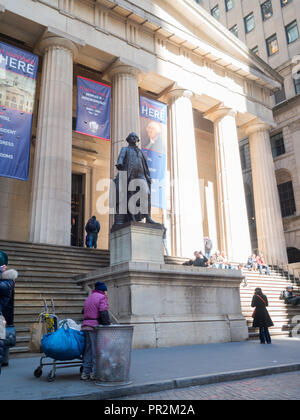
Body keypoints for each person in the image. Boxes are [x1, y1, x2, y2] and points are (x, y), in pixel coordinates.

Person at [113, 132, 157, 225]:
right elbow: (121, 158)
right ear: (128, 139)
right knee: (131, 196)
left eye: (135, 137)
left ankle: (148, 217)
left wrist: (147, 176)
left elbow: (145, 165)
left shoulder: (140, 151)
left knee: (146, 193)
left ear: (137, 139)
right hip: (130, 175)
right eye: (131, 137)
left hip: (141, 176)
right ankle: (132, 217)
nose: (133, 138)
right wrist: (120, 164)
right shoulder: (125, 149)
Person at [81, 281, 110, 380]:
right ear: (103, 290)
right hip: (94, 327)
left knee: (88, 351)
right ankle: (95, 373)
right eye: (106, 290)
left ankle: (85, 373)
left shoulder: (89, 297)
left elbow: (83, 311)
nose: (106, 292)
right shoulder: (102, 297)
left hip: (85, 326)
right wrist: (107, 325)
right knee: (96, 351)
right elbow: (103, 312)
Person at [0, 267, 17, 371]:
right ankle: (5, 360)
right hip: (6, 316)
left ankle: (4, 360)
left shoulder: (6, 285)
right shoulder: (8, 285)